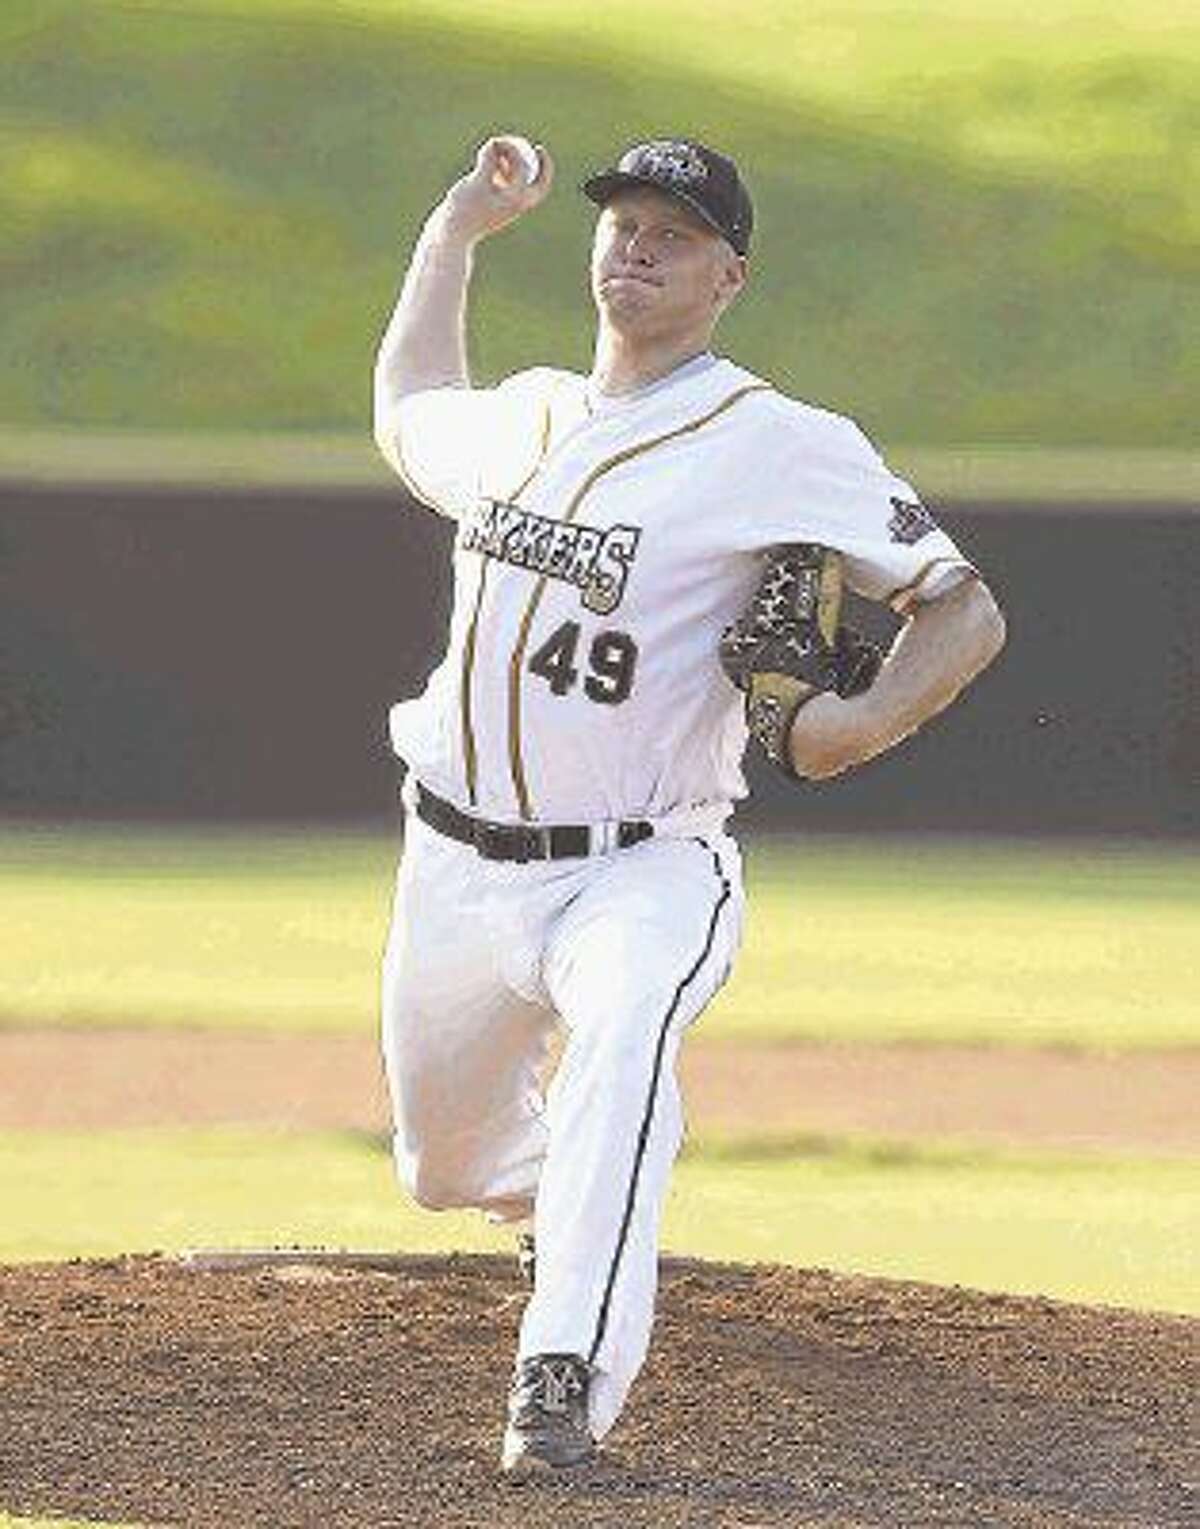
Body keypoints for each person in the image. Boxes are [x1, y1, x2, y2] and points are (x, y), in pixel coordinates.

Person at [371, 134, 1005, 1475]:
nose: (637, 243)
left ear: (731, 274)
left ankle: (563, 1382)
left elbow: (964, 605)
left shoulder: (778, 441)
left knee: (623, 1056)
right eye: (621, 219)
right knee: (440, 1162)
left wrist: (856, 722)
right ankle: (578, 1202)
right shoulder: (528, 417)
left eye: (675, 228)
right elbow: (414, 399)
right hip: (454, 863)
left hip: (641, 866)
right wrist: (456, 232)